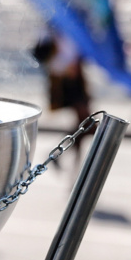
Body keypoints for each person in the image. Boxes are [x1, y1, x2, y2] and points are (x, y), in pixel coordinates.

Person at [33, 30, 91, 165]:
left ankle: (68, 158)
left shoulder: (73, 26)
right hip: (65, 80)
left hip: (76, 77)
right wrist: (65, 65)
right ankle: (66, 157)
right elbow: (43, 54)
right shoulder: (51, 28)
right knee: (85, 122)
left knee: (84, 123)